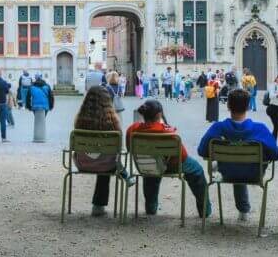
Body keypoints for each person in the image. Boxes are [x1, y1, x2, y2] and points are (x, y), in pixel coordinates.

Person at [197, 88, 278, 223]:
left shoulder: (218, 128)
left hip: (228, 172)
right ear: (248, 106)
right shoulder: (260, 129)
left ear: (228, 106)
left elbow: (202, 151)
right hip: (254, 173)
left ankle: (242, 208)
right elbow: (275, 154)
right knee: (243, 164)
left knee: (235, 163)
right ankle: (243, 210)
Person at [127, 99, 211, 218]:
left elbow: (129, 149)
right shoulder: (167, 131)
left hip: (146, 164)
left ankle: (151, 208)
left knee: (151, 169)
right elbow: (182, 155)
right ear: (159, 115)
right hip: (172, 165)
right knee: (196, 170)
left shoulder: (132, 129)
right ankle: (205, 210)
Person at [73, 86, 123, 217]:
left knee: (102, 158)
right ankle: (98, 206)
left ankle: (98, 206)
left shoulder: (80, 120)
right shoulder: (113, 121)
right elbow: (119, 147)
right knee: (106, 162)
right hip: (106, 165)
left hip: (83, 162)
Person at [26, 73, 54, 143]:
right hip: (45, 106)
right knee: (42, 119)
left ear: (35, 79)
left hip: (35, 107)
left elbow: (27, 98)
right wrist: (51, 106)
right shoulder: (47, 86)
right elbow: (51, 97)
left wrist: (29, 107)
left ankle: (38, 136)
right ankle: (41, 136)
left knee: (37, 120)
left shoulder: (31, 87)